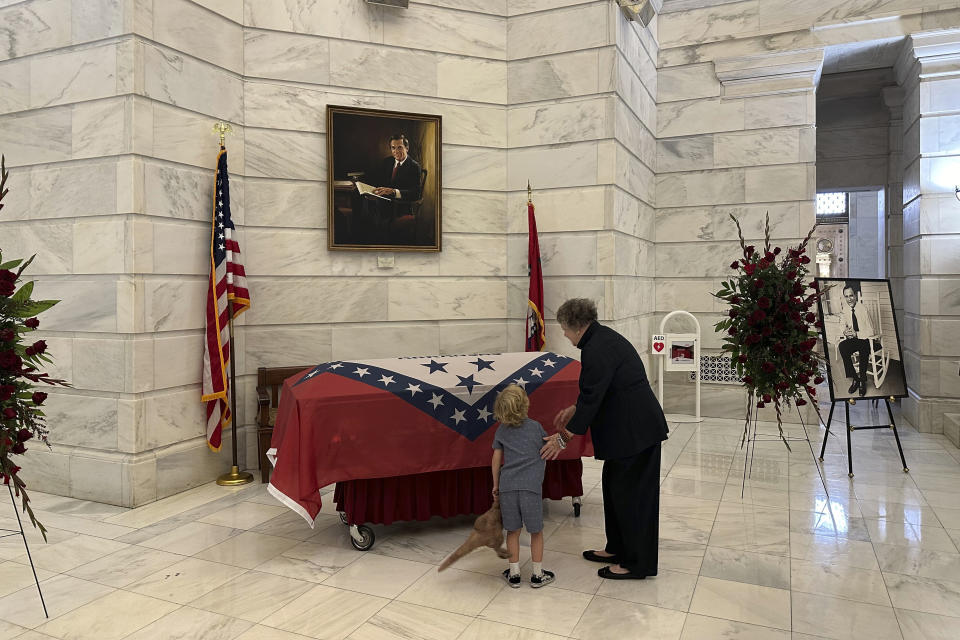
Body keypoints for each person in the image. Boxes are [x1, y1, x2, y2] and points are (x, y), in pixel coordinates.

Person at [541, 298, 669, 580]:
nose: (563, 334)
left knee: (633, 498)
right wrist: (574, 410)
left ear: (575, 326)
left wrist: (562, 440)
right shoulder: (599, 341)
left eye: (563, 328)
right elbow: (598, 391)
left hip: (636, 433)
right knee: (615, 492)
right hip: (626, 433)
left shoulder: (597, 348)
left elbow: (592, 398)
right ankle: (617, 548)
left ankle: (636, 564)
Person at [491, 384, 555, 588]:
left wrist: (496, 486)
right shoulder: (536, 427)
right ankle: (537, 575)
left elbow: (496, 459)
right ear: (525, 404)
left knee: (513, 531)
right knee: (536, 531)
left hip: (508, 487)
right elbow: (547, 447)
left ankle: (515, 574)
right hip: (531, 488)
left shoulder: (501, 430)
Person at [837, 282, 876, 397]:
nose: (849, 299)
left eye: (851, 295)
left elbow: (871, 331)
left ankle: (862, 380)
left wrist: (856, 333)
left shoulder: (863, 309)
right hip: (853, 339)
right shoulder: (845, 309)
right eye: (846, 296)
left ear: (855, 295)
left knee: (864, 346)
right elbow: (841, 325)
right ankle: (855, 378)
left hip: (865, 338)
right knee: (842, 346)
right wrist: (845, 331)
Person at [371, 133, 422, 214]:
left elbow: (416, 193)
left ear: (407, 148)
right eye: (393, 148)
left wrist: (394, 192)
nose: (396, 151)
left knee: (376, 209)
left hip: (400, 206)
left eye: (400, 148)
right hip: (384, 201)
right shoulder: (387, 162)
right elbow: (379, 181)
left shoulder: (414, 166)